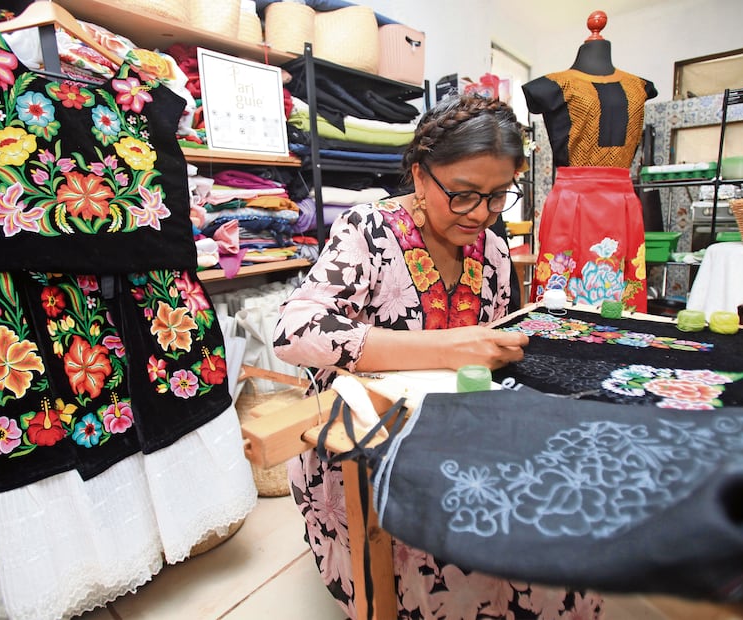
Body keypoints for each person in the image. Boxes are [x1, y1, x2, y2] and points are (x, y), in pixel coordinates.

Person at [273, 94, 604, 618]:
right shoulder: (368, 231)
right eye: (463, 194)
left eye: (498, 196)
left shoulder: (493, 251)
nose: (481, 214)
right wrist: (447, 347)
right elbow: (293, 330)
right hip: (369, 431)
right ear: (420, 176)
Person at [522, 11, 657, 313]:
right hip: (570, 199)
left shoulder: (640, 86)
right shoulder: (554, 84)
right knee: (557, 293)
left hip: (621, 203)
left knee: (621, 300)